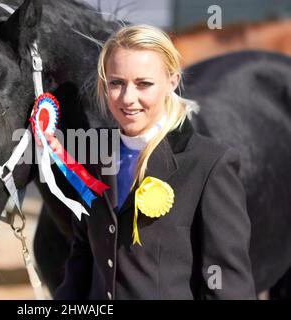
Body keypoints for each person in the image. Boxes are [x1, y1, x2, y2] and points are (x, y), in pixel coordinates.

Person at [54, 25, 256, 300]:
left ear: (172, 82)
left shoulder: (209, 165)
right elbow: (84, 253)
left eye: (143, 84)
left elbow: (227, 286)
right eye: (116, 83)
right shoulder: (93, 154)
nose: (127, 98)